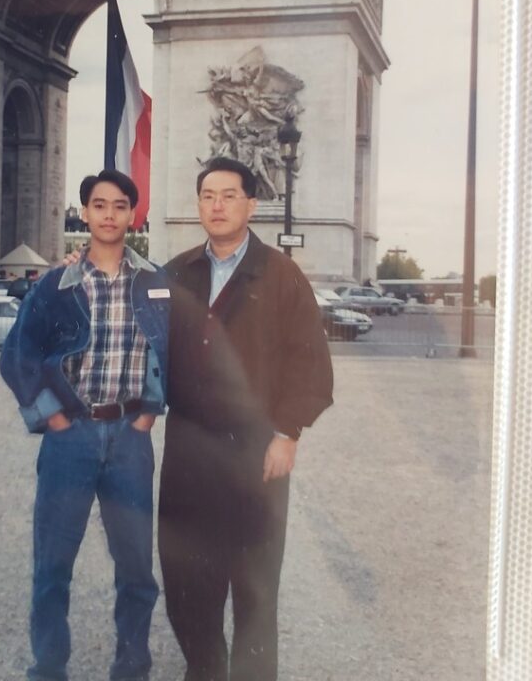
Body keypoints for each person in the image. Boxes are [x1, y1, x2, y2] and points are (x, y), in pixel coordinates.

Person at [158, 156, 333, 681]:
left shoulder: (283, 275)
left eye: (228, 195)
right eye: (208, 195)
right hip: (188, 448)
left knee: (254, 586)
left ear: (252, 205)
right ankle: (206, 670)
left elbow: (311, 362)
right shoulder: (175, 273)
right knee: (187, 582)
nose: (216, 205)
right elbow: (141, 344)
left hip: (256, 450)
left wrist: (287, 432)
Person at [0, 169, 170, 681]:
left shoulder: (157, 283)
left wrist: (147, 413)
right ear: (86, 212)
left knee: (137, 566)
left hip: (129, 440)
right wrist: (51, 416)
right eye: (100, 205)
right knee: (53, 564)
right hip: (70, 435)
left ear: (133, 213)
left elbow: (174, 352)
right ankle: (49, 667)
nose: (110, 215)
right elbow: (18, 356)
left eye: (121, 205)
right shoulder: (56, 284)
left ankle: (132, 663)